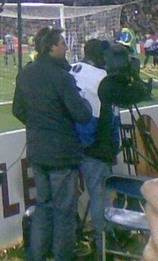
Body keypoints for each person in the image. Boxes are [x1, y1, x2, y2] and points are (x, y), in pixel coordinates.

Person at [12, 26, 91, 261]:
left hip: (37, 151)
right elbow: (82, 115)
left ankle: (36, 256)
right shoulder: (62, 77)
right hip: (61, 155)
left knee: (43, 208)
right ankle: (62, 256)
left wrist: (38, 125)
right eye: (63, 43)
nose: (66, 47)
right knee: (64, 212)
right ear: (52, 47)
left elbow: (18, 110)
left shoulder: (25, 74)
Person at [70, 39, 151, 256]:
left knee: (76, 197)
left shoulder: (74, 69)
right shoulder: (101, 78)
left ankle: (84, 240)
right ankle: (103, 241)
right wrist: (135, 78)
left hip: (73, 141)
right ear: (102, 57)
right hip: (95, 143)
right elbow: (132, 96)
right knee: (101, 196)